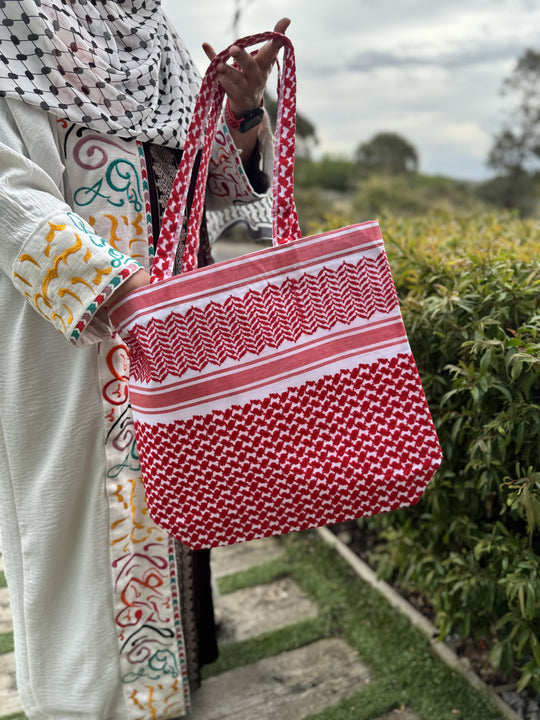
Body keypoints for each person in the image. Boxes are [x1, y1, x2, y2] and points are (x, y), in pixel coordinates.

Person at [0, 2, 290, 718]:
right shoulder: (19, 22)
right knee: (85, 522)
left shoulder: (152, 37)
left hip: (176, 329)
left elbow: (208, 180)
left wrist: (245, 113)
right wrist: (120, 288)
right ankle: (88, 700)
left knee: (178, 504)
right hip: (82, 334)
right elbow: (9, 192)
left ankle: (178, 673)